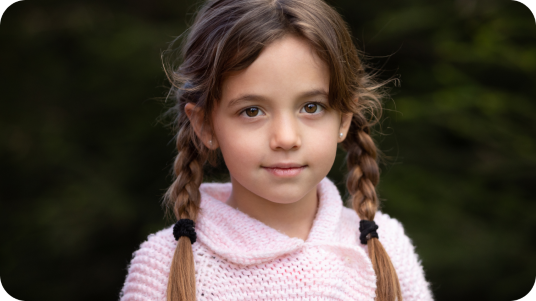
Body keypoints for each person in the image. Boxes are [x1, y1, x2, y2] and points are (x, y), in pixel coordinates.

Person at [120, 0, 433, 300]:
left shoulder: (386, 245)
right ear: (205, 125)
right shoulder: (165, 265)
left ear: (344, 119)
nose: (285, 138)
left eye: (311, 107)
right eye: (252, 111)